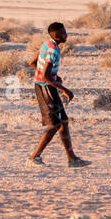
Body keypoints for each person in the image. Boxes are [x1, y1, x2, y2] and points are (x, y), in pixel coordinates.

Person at [28, 22, 90, 167]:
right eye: (64, 33)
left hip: (46, 86)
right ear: (56, 36)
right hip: (46, 89)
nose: (66, 35)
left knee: (64, 122)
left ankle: (72, 159)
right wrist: (64, 89)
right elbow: (45, 76)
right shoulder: (53, 50)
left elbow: (32, 62)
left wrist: (54, 76)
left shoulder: (46, 43)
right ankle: (34, 157)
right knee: (54, 125)